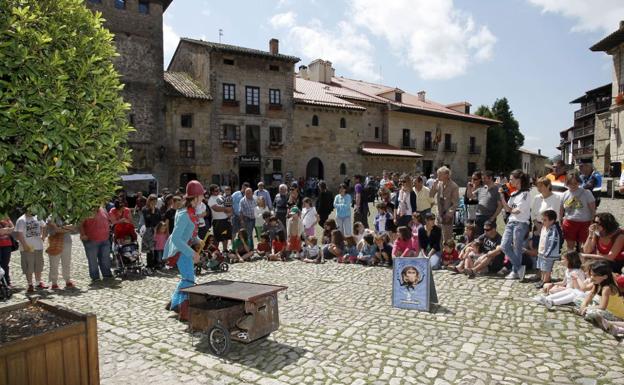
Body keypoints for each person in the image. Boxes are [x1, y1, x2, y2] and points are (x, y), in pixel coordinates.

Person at [162, 180, 205, 321]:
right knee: (189, 279)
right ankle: (182, 309)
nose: (203, 198)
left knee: (187, 277)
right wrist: (192, 253)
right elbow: (176, 238)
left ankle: (174, 303)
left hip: (185, 247)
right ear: (195, 197)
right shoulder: (184, 214)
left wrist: (197, 239)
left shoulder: (191, 212)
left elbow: (190, 232)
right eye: (201, 195)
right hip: (180, 250)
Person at [499, 169, 532, 280]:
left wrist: (510, 209)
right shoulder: (513, 194)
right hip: (511, 222)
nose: (509, 181)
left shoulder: (525, 194)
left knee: (517, 247)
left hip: (521, 223)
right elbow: (508, 209)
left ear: (519, 180)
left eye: (511, 179)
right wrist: (502, 196)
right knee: (504, 245)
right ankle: (519, 268)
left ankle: (515, 270)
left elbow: (516, 210)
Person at [578, 261, 624, 328]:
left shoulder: (607, 288)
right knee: (578, 299)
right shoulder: (597, 283)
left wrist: (587, 308)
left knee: (591, 313)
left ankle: (610, 323)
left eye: (594, 275)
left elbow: (602, 307)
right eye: (591, 274)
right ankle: (588, 313)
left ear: (605, 277)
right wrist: (584, 304)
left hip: (617, 315)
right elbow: (591, 295)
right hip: (606, 310)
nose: (591, 277)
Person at [561, 171, 596, 252]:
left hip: (585, 222)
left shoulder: (587, 193)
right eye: (570, 183)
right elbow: (561, 210)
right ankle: (571, 262)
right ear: (567, 183)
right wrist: (560, 221)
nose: (573, 185)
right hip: (569, 222)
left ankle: (583, 262)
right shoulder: (564, 194)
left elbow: (593, 209)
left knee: (584, 246)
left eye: (575, 183)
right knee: (570, 246)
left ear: (579, 182)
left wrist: (592, 221)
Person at [16, 212, 47, 293]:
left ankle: (38, 283)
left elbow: (44, 226)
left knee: (38, 265)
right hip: (28, 247)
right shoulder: (21, 220)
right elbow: (19, 234)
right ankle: (30, 284)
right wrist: (25, 245)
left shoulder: (37, 217)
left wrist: (43, 237)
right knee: (29, 266)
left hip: (38, 246)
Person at [80, 206, 113, 282]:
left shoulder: (102, 209)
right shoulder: (86, 210)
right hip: (91, 240)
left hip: (105, 239)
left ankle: (106, 274)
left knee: (105, 258)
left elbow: (108, 220)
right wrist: (82, 234)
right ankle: (95, 277)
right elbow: (80, 223)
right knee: (93, 260)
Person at [429, 166, 459, 242]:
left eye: (439, 174)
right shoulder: (439, 184)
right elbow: (431, 195)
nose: (437, 176)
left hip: (447, 215)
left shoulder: (454, 186)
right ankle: (439, 252)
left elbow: (455, 203)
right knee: (438, 235)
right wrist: (434, 186)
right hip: (439, 213)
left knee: (447, 237)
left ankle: (447, 253)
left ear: (446, 175)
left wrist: (448, 214)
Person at [535, 210, 562, 289]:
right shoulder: (544, 228)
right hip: (541, 252)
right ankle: (542, 279)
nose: (543, 221)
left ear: (552, 221)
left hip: (548, 254)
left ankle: (546, 281)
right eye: (542, 219)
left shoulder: (553, 231)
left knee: (547, 268)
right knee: (542, 267)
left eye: (545, 220)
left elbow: (552, 243)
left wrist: (548, 253)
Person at [46, 217, 75, 290]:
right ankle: (54, 282)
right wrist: (66, 228)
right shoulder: (50, 218)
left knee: (66, 263)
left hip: (67, 242)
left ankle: (67, 280)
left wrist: (61, 228)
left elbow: (73, 227)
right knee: (54, 264)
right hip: (55, 243)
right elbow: (57, 230)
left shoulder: (67, 217)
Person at [469, 170, 501, 237]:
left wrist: (493, 218)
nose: (482, 180)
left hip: (489, 217)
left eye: (484, 178)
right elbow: (470, 197)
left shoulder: (497, 190)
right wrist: (471, 188)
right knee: (478, 237)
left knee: (489, 237)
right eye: (482, 178)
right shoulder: (481, 188)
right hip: (478, 217)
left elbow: (500, 206)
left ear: (490, 178)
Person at [208, 184, 232, 252]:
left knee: (225, 236)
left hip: (225, 219)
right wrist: (226, 209)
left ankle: (225, 250)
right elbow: (216, 209)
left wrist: (229, 212)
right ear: (212, 191)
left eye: (218, 190)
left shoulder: (221, 196)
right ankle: (216, 251)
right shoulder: (211, 199)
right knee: (217, 237)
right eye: (216, 190)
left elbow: (227, 204)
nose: (218, 191)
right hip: (218, 221)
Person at [141, 194, 162, 269]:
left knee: (156, 247)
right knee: (149, 249)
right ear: (149, 201)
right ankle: (149, 264)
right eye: (152, 201)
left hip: (157, 230)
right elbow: (148, 220)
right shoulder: (145, 209)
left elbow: (159, 220)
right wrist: (152, 211)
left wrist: (157, 228)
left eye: (155, 201)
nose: (154, 203)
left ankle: (156, 263)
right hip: (148, 230)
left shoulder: (158, 210)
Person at [0, 217, 15, 289]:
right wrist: (6, 230)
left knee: (5, 264)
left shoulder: (5, 216)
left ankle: (7, 282)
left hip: (7, 245)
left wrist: (6, 230)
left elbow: (12, 228)